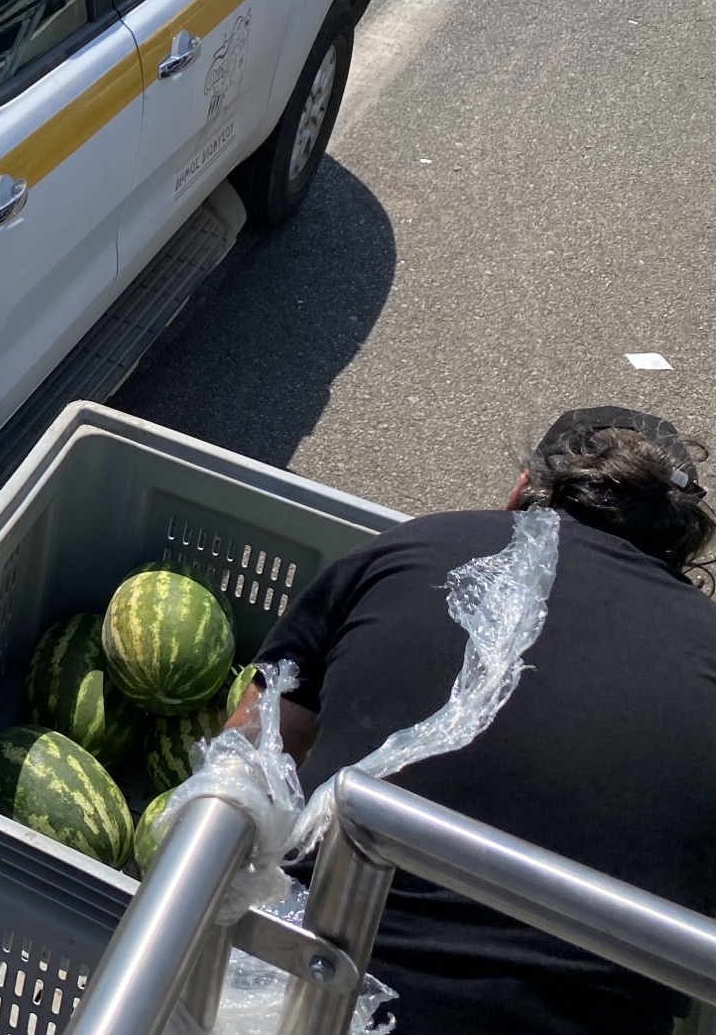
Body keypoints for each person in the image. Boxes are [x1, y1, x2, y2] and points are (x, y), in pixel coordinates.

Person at [229, 407, 716, 1034]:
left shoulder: (415, 546)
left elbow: (252, 742)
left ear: (522, 489)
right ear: (676, 546)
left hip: (311, 992)